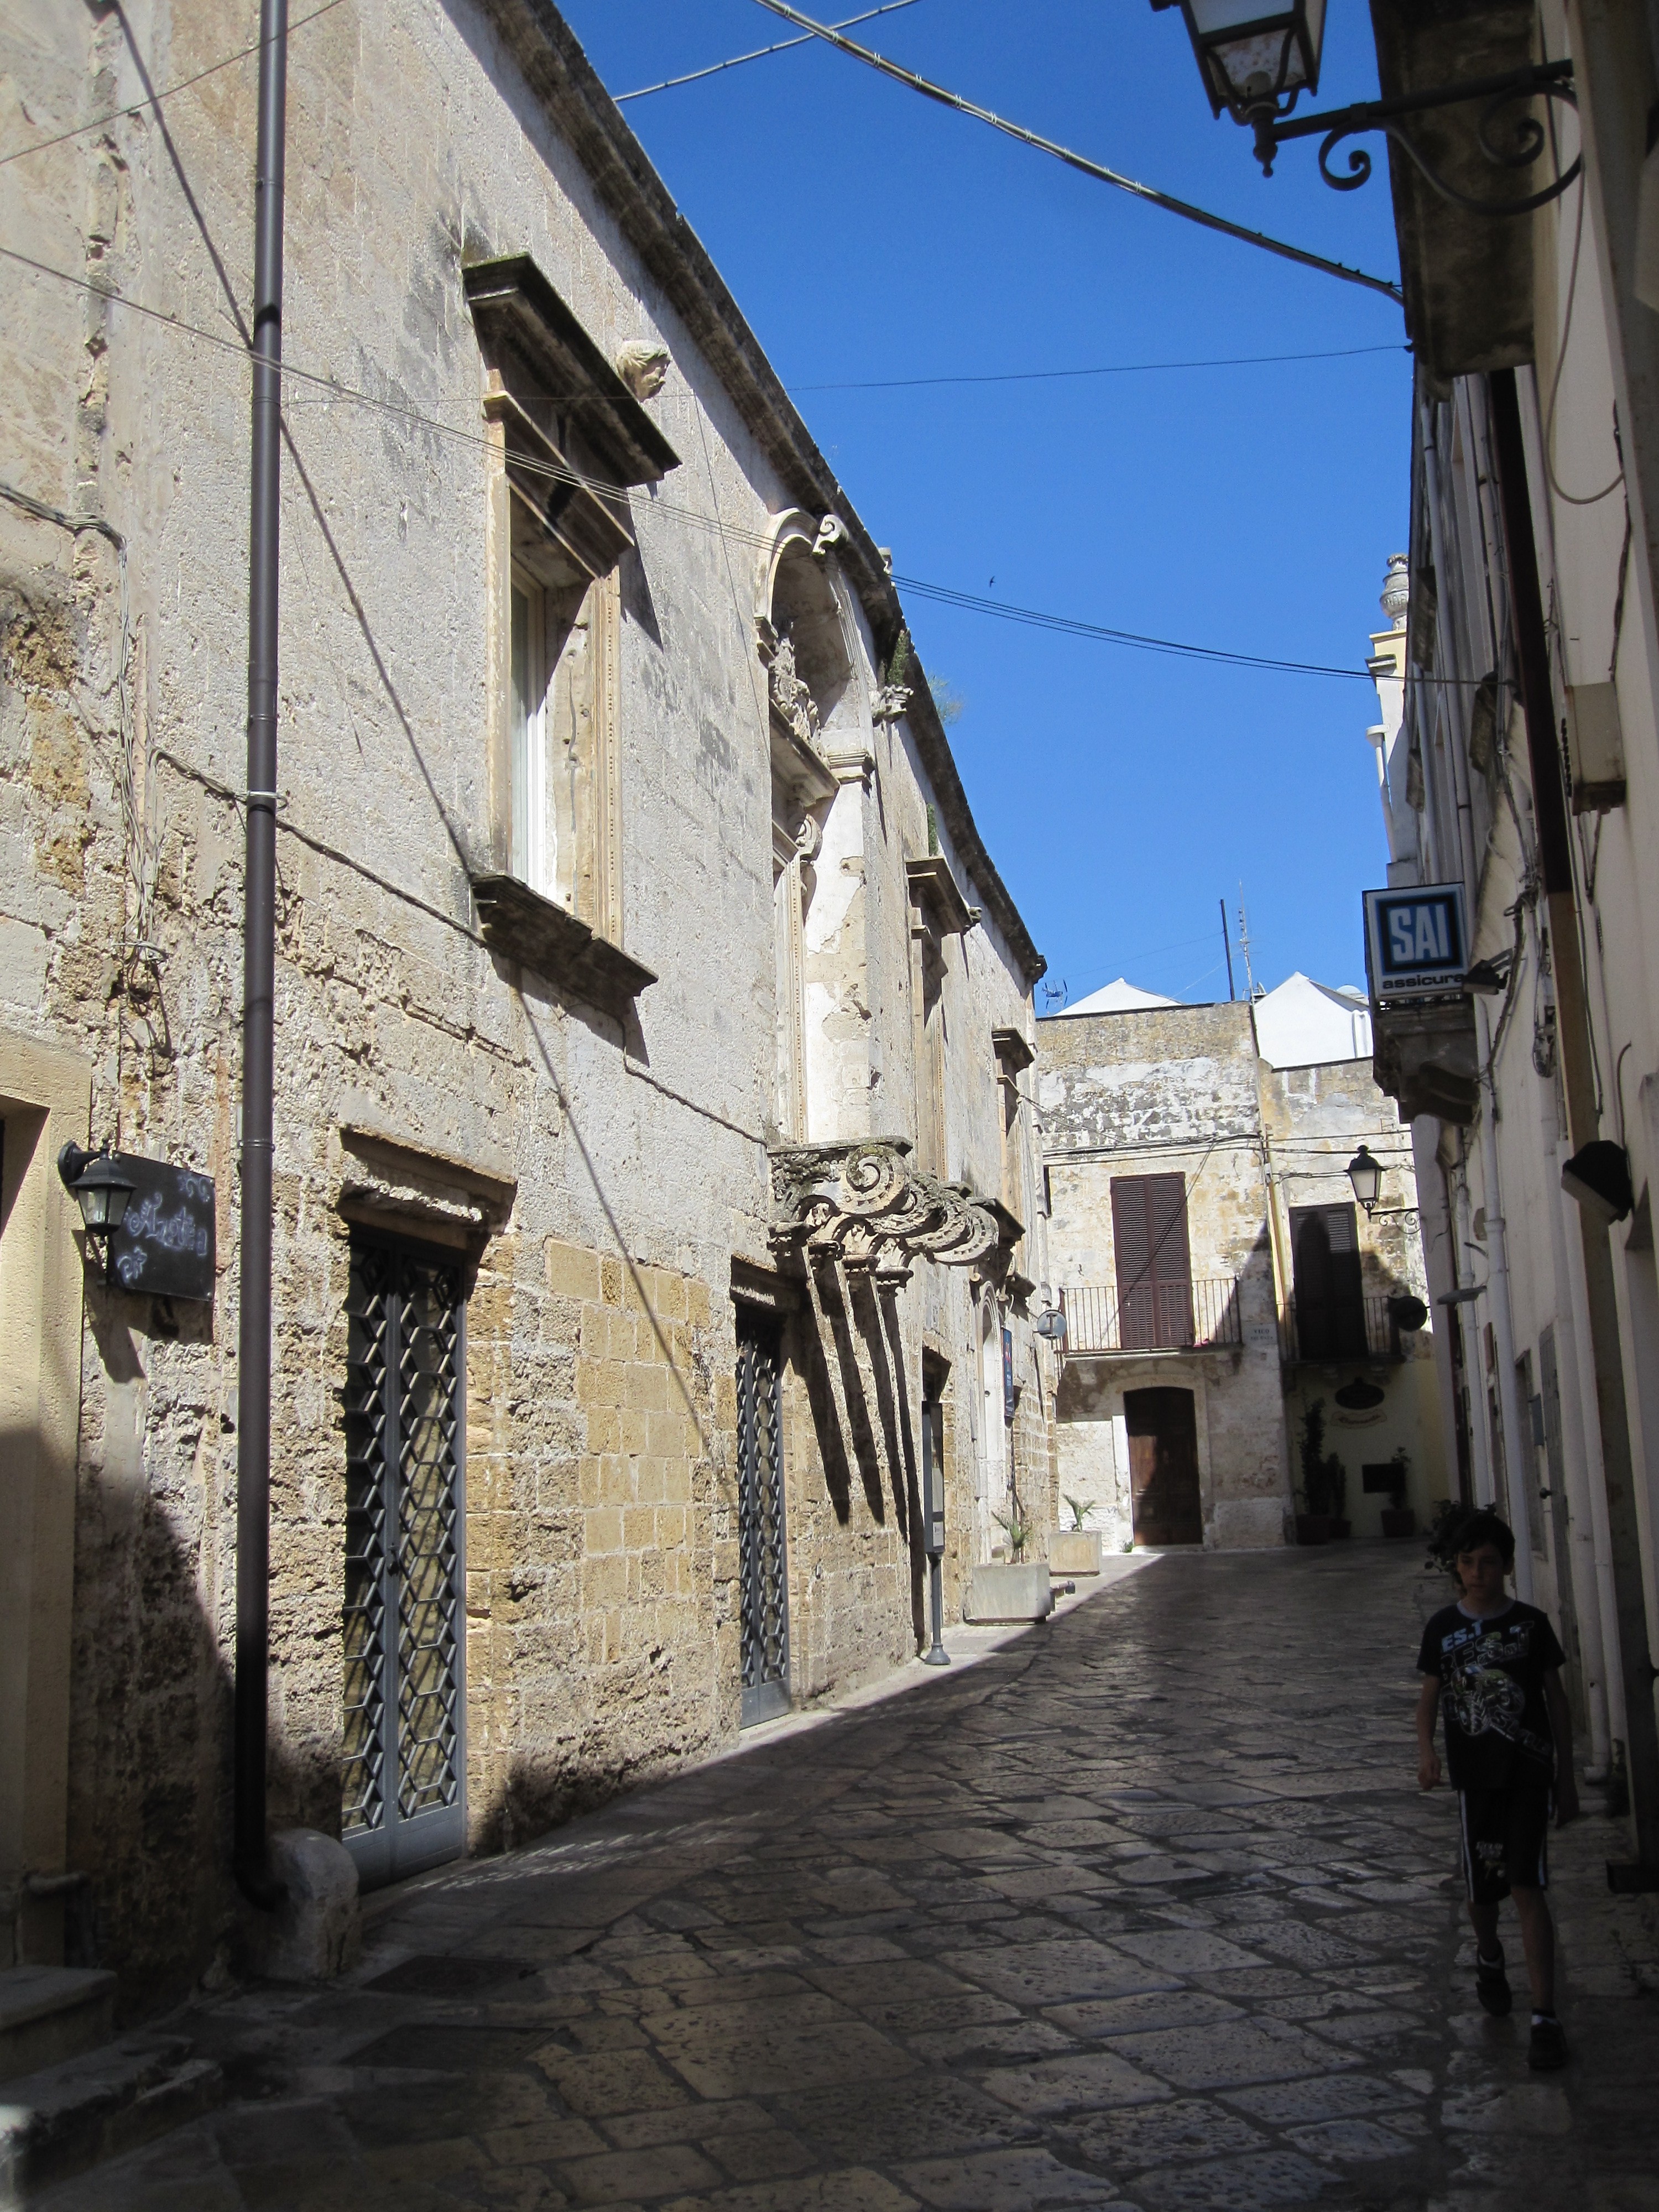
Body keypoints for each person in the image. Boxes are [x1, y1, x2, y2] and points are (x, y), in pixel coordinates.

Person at [1415, 1509, 1578, 2070]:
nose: (1477, 1573)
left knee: (1528, 1885)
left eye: (1488, 1563)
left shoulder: (1532, 1625)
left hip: (1529, 1774)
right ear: (1456, 1567)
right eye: (1467, 1563)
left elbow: (1556, 1701)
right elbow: (1430, 1697)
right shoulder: (1442, 1628)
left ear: (1506, 1566)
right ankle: (1489, 1955)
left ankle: (1545, 2016)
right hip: (1475, 1779)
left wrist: (1566, 1776)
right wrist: (1427, 1750)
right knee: (1483, 1892)